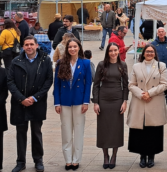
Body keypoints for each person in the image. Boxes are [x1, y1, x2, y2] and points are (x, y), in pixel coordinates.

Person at [7, 36, 54, 172]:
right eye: (26, 45)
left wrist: (35, 97)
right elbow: (10, 82)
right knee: (20, 133)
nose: (29, 47)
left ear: (36, 45)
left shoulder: (45, 60)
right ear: (23, 47)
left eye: (31, 44)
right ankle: (20, 161)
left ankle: (38, 160)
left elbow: (48, 81)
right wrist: (21, 98)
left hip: (37, 103)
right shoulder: (16, 61)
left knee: (36, 132)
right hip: (20, 104)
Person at [53, 39, 93, 170]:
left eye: (75, 46)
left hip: (79, 101)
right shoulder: (61, 63)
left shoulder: (86, 63)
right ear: (67, 49)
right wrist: (57, 102)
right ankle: (68, 159)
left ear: (79, 47)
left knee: (79, 130)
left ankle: (76, 159)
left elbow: (88, 84)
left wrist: (86, 101)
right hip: (64, 101)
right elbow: (57, 84)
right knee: (66, 131)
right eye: (70, 47)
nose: (72, 49)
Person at [127, 44, 167, 168]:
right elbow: (131, 84)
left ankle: (151, 156)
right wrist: (142, 94)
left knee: (153, 131)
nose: (149, 53)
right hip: (140, 101)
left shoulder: (161, 66)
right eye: (147, 51)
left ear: (155, 53)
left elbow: (164, 84)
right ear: (143, 53)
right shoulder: (136, 66)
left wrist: (149, 93)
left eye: (152, 51)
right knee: (140, 130)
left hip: (154, 101)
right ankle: (142, 156)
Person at [92, 42, 129, 169]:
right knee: (104, 128)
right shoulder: (102, 65)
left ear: (119, 51)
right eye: (110, 51)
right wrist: (96, 102)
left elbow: (126, 86)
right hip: (103, 100)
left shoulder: (122, 65)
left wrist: (125, 101)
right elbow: (96, 84)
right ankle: (105, 155)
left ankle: (114, 155)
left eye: (115, 50)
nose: (113, 53)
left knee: (116, 128)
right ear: (107, 52)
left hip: (117, 100)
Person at [151, 27, 167, 106]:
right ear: (157, 34)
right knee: (157, 82)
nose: (161, 33)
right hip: (156, 68)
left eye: (162, 32)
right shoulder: (153, 44)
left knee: (166, 83)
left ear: (165, 33)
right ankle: (157, 98)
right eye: (159, 32)